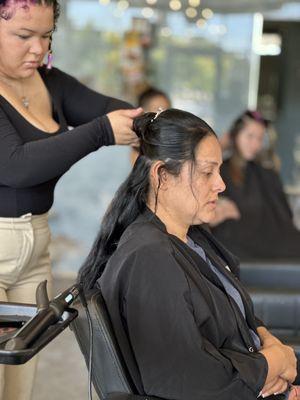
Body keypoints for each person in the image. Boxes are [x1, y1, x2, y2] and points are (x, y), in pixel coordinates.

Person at [79, 109, 299, 400]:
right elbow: (191, 380)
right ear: (162, 176)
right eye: (208, 172)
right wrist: (273, 364)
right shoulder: (149, 259)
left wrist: (272, 345)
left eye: (219, 171)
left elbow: (237, 309)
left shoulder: (191, 235)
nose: (221, 184)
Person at [0, 1, 142, 399]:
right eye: (23, 36)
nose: (38, 49)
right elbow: (15, 167)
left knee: (19, 384)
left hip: (36, 248)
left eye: (46, 36)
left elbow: (115, 112)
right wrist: (100, 133)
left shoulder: (50, 81)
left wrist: (152, 124)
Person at [211, 110, 300, 260]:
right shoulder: (220, 172)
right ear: (235, 135)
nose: (255, 144)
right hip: (236, 247)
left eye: (259, 138)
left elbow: (283, 216)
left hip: (272, 242)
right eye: (250, 136)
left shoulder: (266, 173)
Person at [130, 86, 171, 164]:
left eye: (168, 110)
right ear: (142, 114)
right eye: (159, 110)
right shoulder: (136, 144)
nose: (165, 116)